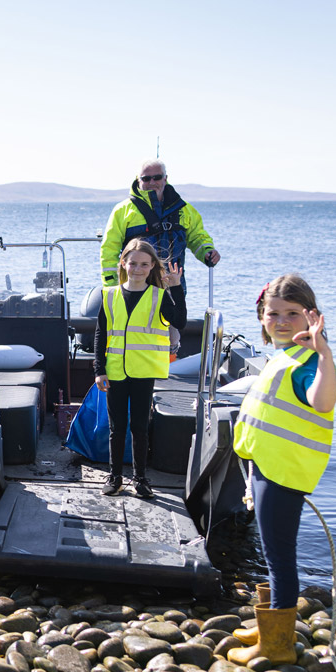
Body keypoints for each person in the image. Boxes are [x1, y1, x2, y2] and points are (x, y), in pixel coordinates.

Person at [227, 275, 336, 666]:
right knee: (271, 550)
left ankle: (277, 644)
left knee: (279, 556)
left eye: (293, 313)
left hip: (284, 473)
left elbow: (321, 401)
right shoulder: (284, 356)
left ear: (313, 318)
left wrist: (324, 355)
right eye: (273, 313)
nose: (282, 321)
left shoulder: (309, 362)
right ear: (261, 317)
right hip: (266, 467)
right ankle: (267, 622)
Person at [94, 238, 186, 498]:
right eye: (133, 263)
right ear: (123, 263)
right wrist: (99, 369)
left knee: (140, 427)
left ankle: (141, 479)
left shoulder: (159, 296)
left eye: (144, 264)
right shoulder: (109, 295)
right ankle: (114, 477)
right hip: (115, 372)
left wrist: (176, 288)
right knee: (116, 427)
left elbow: (179, 320)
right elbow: (101, 334)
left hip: (144, 372)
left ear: (152, 267)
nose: (138, 269)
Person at [100, 159, 221, 291]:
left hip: (174, 286)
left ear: (165, 178)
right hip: (136, 289)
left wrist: (207, 251)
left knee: (175, 312)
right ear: (138, 179)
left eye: (157, 177)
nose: (152, 182)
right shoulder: (122, 211)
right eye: (146, 178)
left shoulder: (184, 209)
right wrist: (111, 288)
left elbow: (197, 237)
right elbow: (109, 250)